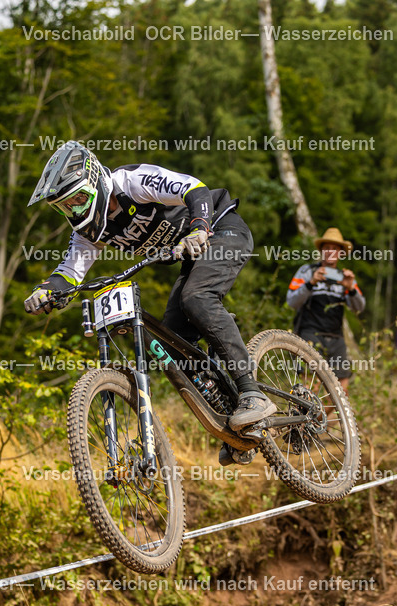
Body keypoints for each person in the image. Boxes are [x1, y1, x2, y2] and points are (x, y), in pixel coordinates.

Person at [22, 140, 276, 438]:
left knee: (197, 298)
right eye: (64, 205)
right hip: (191, 255)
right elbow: (69, 273)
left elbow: (194, 189)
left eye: (77, 198)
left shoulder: (132, 182)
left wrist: (199, 227)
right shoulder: (89, 232)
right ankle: (236, 425)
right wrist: (46, 292)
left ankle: (252, 392)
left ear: (95, 183)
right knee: (172, 343)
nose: (74, 209)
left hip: (220, 229)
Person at [286, 227, 365, 392]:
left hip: (336, 337)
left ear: (341, 253)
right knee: (311, 387)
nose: (330, 252)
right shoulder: (307, 271)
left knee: (342, 390)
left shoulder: (345, 277)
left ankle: (320, 418)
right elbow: (292, 301)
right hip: (310, 334)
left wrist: (350, 289)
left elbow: (359, 307)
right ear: (321, 250)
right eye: (327, 248)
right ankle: (305, 417)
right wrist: (310, 283)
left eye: (335, 248)